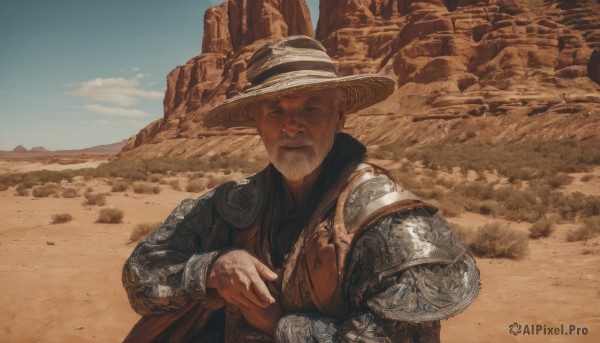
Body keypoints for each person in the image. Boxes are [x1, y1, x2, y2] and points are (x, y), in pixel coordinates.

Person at [122, 35, 480, 342]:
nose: (291, 127)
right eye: (275, 112)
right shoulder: (233, 203)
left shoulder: (392, 221)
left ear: (339, 116)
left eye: (311, 108)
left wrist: (279, 325)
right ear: (257, 123)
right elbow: (141, 273)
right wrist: (213, 267)